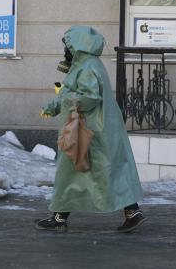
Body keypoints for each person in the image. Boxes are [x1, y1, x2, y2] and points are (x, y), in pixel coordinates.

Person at [36, 26, 146, 233]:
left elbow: (89, 97)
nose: (65, 50)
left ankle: (59, 217)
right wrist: (56, 104)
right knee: (112, 171)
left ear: (76, 46)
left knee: (71, 170)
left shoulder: (85, 66)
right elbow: (77, 93)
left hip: (88, 129)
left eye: (67, 46)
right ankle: (132, 212)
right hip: (102, 128)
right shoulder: (89, 64)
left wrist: (64, 98)